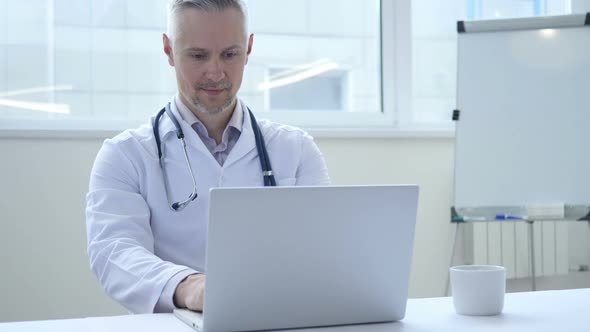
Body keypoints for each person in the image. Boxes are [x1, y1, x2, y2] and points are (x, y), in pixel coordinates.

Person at [85, 0, 330, 314]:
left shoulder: (296, 150)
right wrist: (189, 287)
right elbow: (113, 252)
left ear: (249, 48)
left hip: (273, 318)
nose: (215, 72)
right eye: (198, 55)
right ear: (169, 50)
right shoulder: (125, 155)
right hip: (174, 321)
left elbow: (320, 251)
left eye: (230, 54)